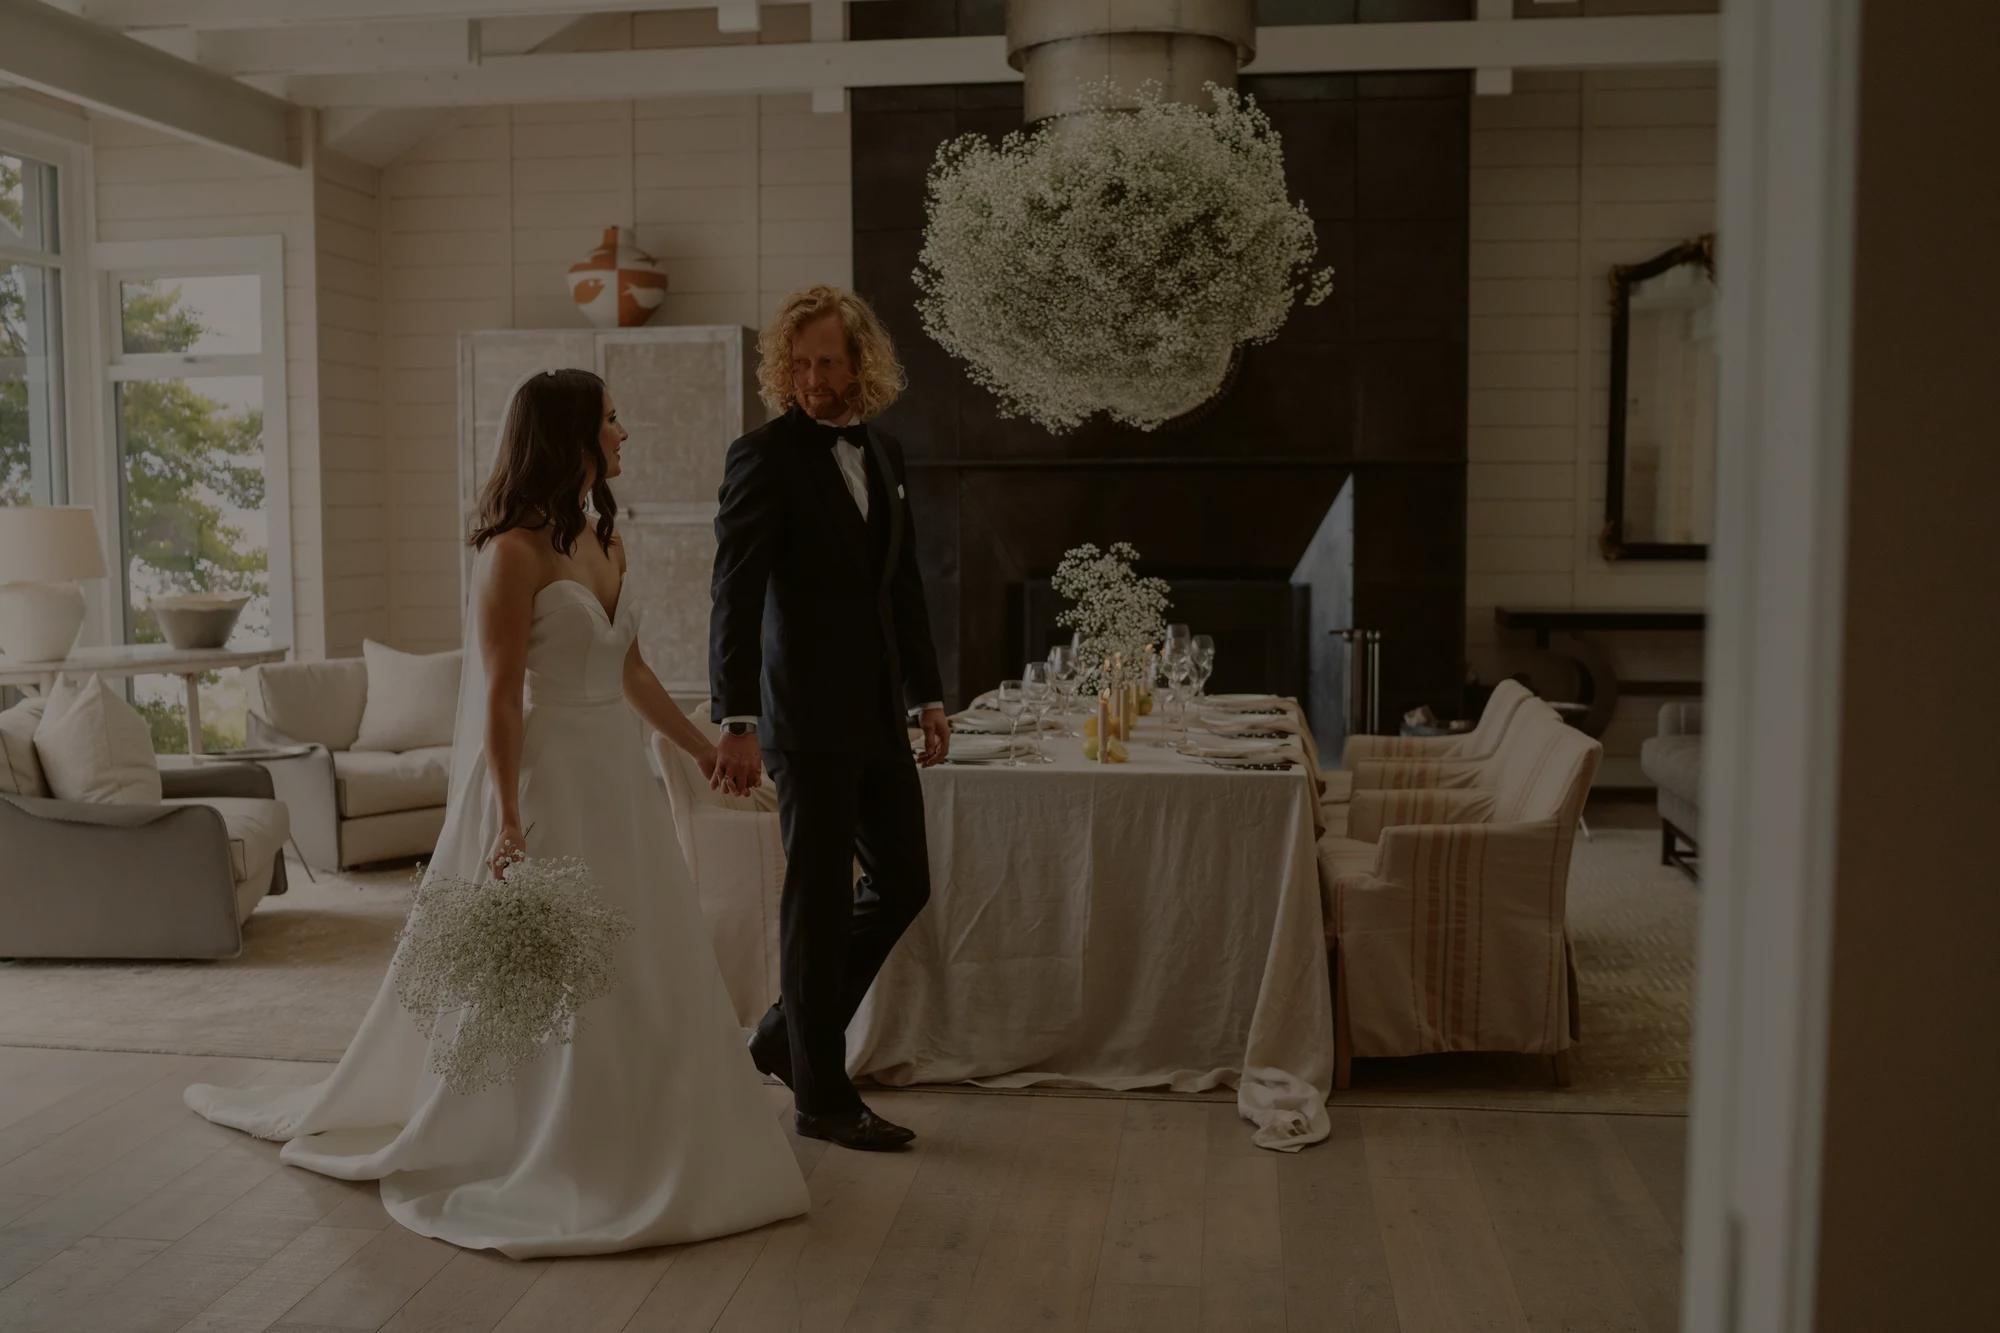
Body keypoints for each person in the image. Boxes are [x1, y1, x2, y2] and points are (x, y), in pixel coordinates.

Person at [184, 369, 809, 1259]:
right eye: (611, 420)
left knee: (643, 952)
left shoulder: (605, 539)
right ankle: (539, 1136)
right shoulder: (510, 554)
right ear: (570, 438)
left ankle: (645, 1123)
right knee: (552, 975)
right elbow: (504, 697)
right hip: (546, 778)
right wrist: (509, 819)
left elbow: (629, 670)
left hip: (617, 783)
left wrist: (696, 744)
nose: (624, 434)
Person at [709, 285, 950, 1152]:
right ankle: (820, 1092)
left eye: (828, 362)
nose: (812, 379)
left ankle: (782, 1035)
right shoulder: (762, 456)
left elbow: (904, 588)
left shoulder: (883, 452)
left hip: (881, 712)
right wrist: (735, 716)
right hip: (802, 718)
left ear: (860, 364)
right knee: (813, 905)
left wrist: (927, 693)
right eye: (799, 363)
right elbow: (733, 596)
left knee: (905, 881)